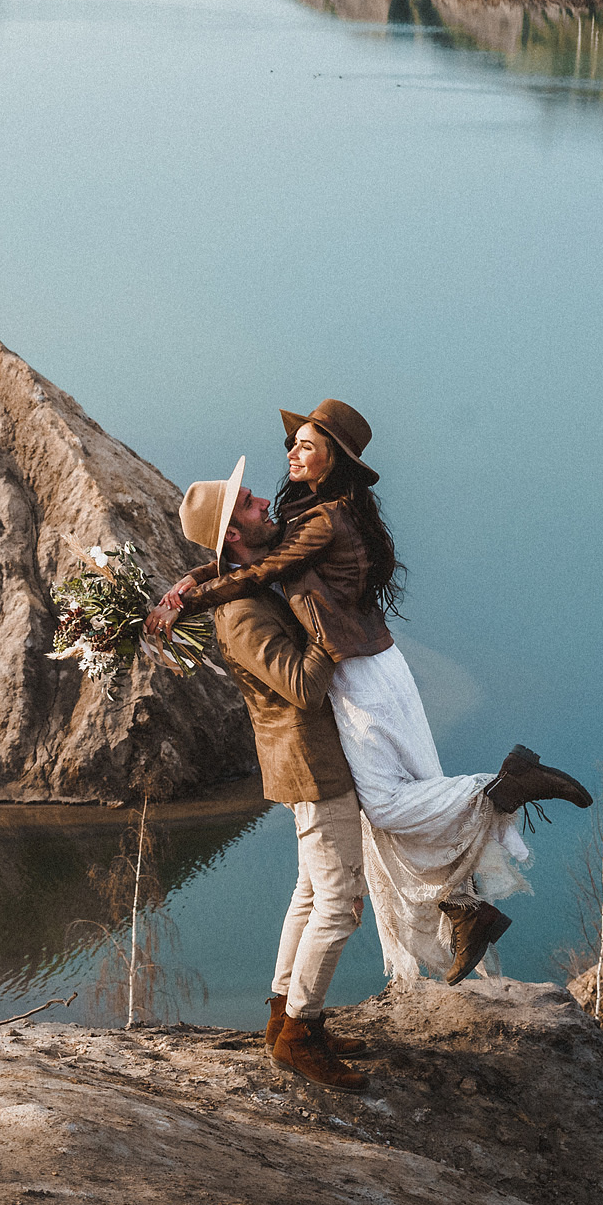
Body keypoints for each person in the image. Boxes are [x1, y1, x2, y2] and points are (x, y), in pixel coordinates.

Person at [151, 400, 592, 984]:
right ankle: (463, 911)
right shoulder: (320, 514)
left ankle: (507, 786)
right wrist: (195, 575)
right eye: (294, 445)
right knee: (411, 800)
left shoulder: (320, 521)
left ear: (333, 457)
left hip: (359, 676)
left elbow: (258, 571)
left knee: (385, 806)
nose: (288, 457)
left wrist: (186, 600)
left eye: (306, 445)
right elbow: (257, 559)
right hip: (376, 669)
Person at [177, 464, 366, 1091]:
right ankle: (299, 1035)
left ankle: (285, 1014)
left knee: (311, 892)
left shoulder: (245, 586)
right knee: (340, 903)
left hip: (302, 760)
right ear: (235, 534)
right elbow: (304, 687)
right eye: (252, 504)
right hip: (311, 762)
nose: (265, 502)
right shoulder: (242, 615)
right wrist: (331, 625)